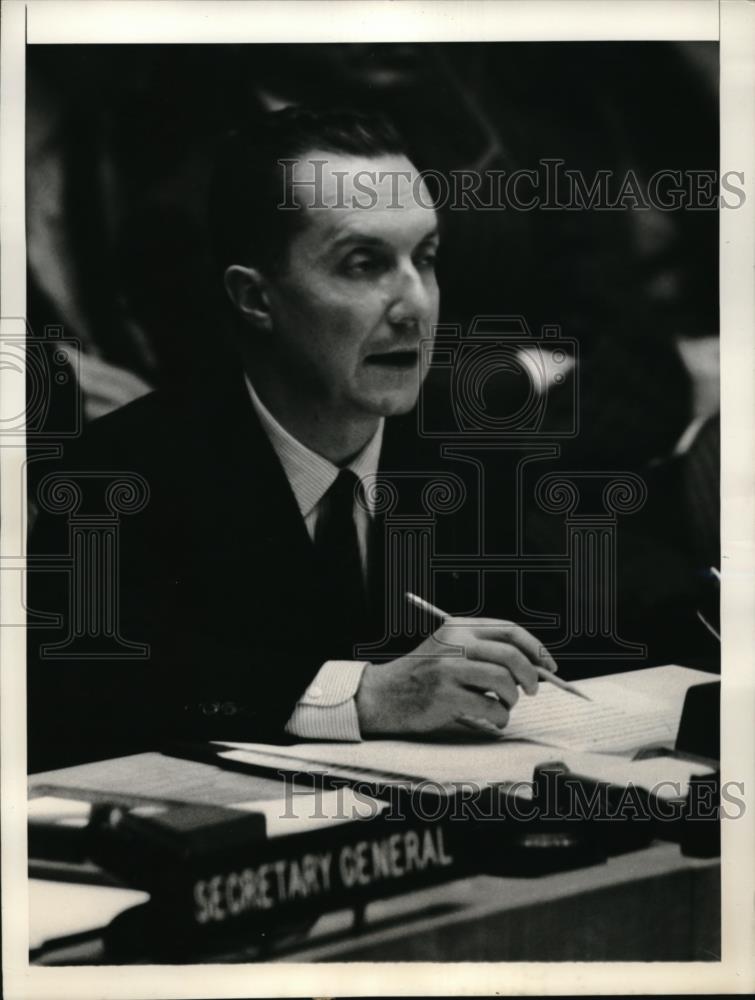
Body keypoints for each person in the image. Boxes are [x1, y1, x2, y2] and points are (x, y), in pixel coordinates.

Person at [27, 107, 557, 772]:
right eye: (363, 264)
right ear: (254, 298)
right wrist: (357, 696)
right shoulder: (118, 474)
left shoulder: (474, 447)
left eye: (425, 258)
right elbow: (89, 699)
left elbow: (575, 634)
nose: (415, 302)